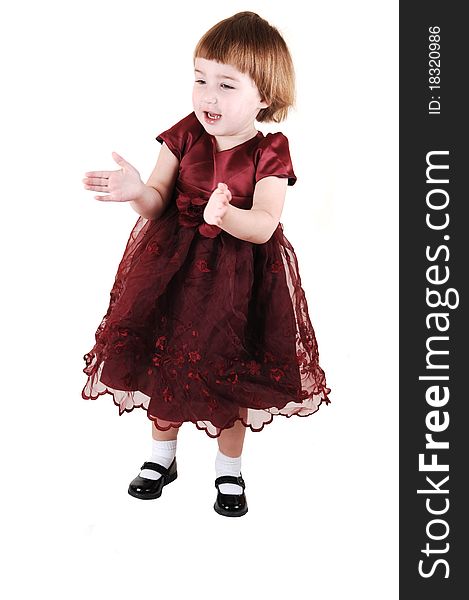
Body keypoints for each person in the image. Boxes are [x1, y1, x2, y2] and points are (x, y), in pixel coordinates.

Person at [81, 11, 331, 517]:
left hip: (238, 282)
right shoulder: (186, 134)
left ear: (264, 95)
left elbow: (263, 224)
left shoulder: (270, 151)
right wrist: (136, 192)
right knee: (164, 357)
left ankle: (229, 471)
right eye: (200, 80)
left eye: (226, 85)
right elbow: (156, 199)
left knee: (229, 371)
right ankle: (160, 458)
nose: (208, 97)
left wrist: (227, 215)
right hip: (171, 269)